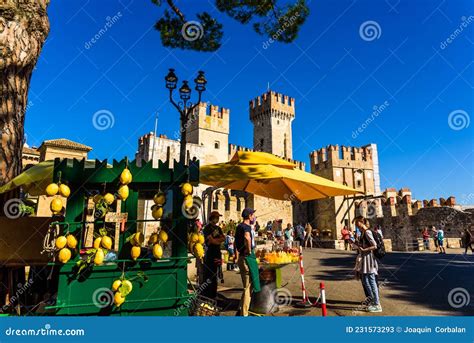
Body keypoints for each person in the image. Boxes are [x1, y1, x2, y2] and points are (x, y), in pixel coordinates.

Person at [354, 216, 382, 313]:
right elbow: (365, 244)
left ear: (361, 222)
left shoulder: (367, 232)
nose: (356, 225)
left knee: (371, 281)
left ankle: (377, 304)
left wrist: (363, 249)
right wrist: (358, 244)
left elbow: (374, 246)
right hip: (365, 259)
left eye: (357, 223)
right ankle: (372, 300)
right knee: (365, 282)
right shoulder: (362, 233)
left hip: (369, 260)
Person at [235, 208, 257, 316]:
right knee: (248, 287)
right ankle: (244, 314)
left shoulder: (239, 226)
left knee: (246, 285)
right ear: (249, 216)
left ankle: (240, 309)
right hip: (246, 257)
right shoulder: (246, 227)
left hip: (241, 258)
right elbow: (247, 238)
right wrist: (248, 250)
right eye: (252, 215)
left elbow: (235, 242)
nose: (253, 217)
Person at [202, 211, 225, 299]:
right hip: (210, 253)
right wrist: (216, 241)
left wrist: (216, 241)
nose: (218, 219)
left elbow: (223, 238)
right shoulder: (207, 228)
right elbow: (210, 241)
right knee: (209, 274)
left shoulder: (218, 228)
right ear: (212, 218)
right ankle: (208, 294)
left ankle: (213, 294)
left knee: (215, 274)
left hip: (217, 253)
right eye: (216, 217)